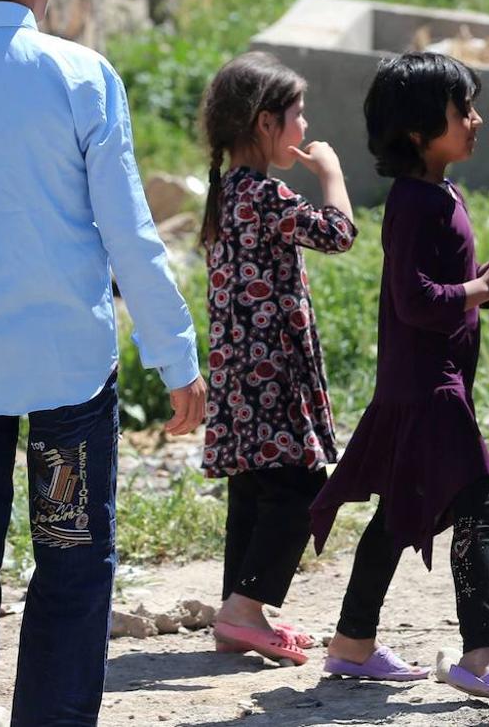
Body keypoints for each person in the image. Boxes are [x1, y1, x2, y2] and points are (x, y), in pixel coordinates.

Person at [0, 0, 206, 726]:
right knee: (68, 555)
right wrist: (177, 358)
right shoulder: (81, 76)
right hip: (65, 377)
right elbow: (130, 233)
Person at [309, 53, 489, 711]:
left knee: (401, 511)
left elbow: (447, 292)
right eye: (460, 110)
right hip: (428, 386)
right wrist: (483, 286)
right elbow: (415, 300)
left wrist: (488, 281)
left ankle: (353, 644)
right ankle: (482, 655)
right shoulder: (413, 204)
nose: (476, 119)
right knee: (479, 504)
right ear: (419, 131)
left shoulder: (441, 192)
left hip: (430, 381)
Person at [197, 52, 357, 666]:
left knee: (255, 490)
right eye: (296, 114)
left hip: (241, 375)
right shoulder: (264, 194)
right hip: (273, 375)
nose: (305, 125)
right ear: (265, 123)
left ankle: (241, 611)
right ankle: (244, 608)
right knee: (299, 487)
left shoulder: (226, 192)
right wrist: (331, 172)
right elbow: (339, 233)